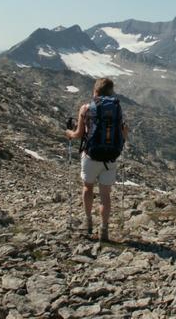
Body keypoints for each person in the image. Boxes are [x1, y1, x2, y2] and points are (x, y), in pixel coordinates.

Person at [65, 77, 127, 241]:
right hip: (110, 158)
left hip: (91, 156)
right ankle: (104, 230)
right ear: (111, 91)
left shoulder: (86, 108)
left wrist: (69, 134)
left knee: (87, 188)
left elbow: (78, 134)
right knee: (105, 195)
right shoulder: (116, 108)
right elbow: (123, 133)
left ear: (95, 91)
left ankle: (88, 222)